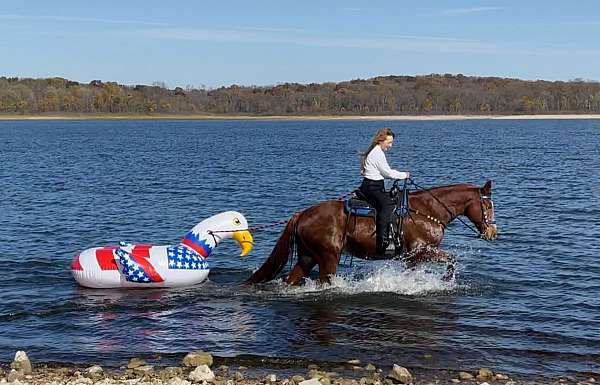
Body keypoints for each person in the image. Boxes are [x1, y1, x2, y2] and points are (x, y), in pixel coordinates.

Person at [359, 128, 410, 256]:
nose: (390, 146)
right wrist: (404, 175)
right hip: (373, 187)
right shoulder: (377, 153)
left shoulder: (375, 150)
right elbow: (387, 173)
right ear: (381, 140)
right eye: (389, 142)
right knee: (388, 205)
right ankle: (384, 241)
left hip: (371, 185)